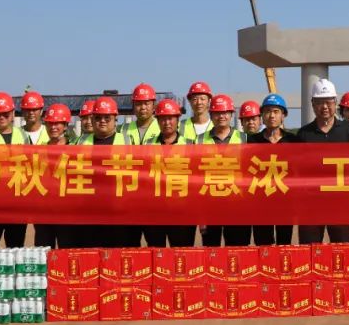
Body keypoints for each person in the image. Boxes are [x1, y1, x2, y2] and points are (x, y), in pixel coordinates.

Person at [296, 79, 349, 243]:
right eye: (319, 102)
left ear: (335, 103)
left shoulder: (347, 131)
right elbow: (297, 170)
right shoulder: (304, 134)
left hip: (340, 204)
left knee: (340, 249)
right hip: (311, 205)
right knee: (309, 250)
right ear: (312, 104)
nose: (324, 107)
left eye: (328, 102)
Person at [78, 96, 132, 248]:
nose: (102, 121)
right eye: (98, 117)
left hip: (119, 210)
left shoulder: (127, 141)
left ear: (115, 119)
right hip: (90, 210)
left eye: (107, 118)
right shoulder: (82, 142)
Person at [247, 93, 299, 245]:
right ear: (262, 116)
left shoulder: (293, 141)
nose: (271, 116)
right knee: (263, 245)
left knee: (284, 245)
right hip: (260, 203)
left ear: (283, 115)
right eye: (267, 111)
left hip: (285, 202)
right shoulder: (252, 141)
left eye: (276, 112)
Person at [196, 94, 246, 246]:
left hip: (236, 204)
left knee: (236, 251)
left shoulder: (244, 138)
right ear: (211, 115)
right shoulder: (199, 140)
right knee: (211, 251)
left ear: (231, 114)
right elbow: (196, 176)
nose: (221, 116)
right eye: (217, 113)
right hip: (210, 204)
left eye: (225, 112)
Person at [0, 92, 29, 248]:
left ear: (13, 114)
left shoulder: (23, 135)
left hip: (17, 203)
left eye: (5, 114)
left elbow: (31, 164)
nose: (1, 117)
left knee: (15, 248)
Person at [144, 99, 194, 248]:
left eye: (170, 118)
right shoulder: (147, 145)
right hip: (155, 210)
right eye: (162, 119)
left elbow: (196, 180)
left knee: (182, 254)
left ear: (178, 119)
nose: (167, 123)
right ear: (157, 121)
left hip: (182, 211)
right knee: (156, 253)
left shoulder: (191, 144)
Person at [34, 103, 71, 248]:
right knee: (43, 251)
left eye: (57, 123)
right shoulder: (38, 150)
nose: (53, 127)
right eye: (50, 123)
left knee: (66, 251)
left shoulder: (75, 149)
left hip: (67, 211)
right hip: (44, 211)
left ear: (66, 126)